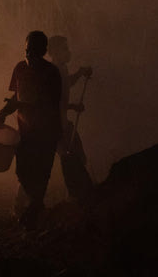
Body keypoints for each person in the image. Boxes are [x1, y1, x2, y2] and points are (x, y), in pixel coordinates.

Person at [0, 31, 62, 230]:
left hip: (47, 132)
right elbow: (16, 97)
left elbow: (50, 105)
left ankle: (33, 217)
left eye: (34, 51)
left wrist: (22, 105)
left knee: (41, 174)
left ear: (43, 52)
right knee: (22, 171)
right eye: (27, 50)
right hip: (26, 132)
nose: (29, 55)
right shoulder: (20, 68)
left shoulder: (51, 73)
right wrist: (3, 112)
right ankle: (36, 208)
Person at [47, 36, 94, 203]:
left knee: (75, 157)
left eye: (67, 48)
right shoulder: (53, 71)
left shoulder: (62, 69)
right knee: (70, 158)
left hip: (62, 123)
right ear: (54, 52)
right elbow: (53, 101)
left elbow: (67, 85)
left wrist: (80, 73)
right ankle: (74, 197)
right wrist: (72, 106)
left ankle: (73, 196)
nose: (69, 52)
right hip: (56, 125)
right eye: (64, 49)